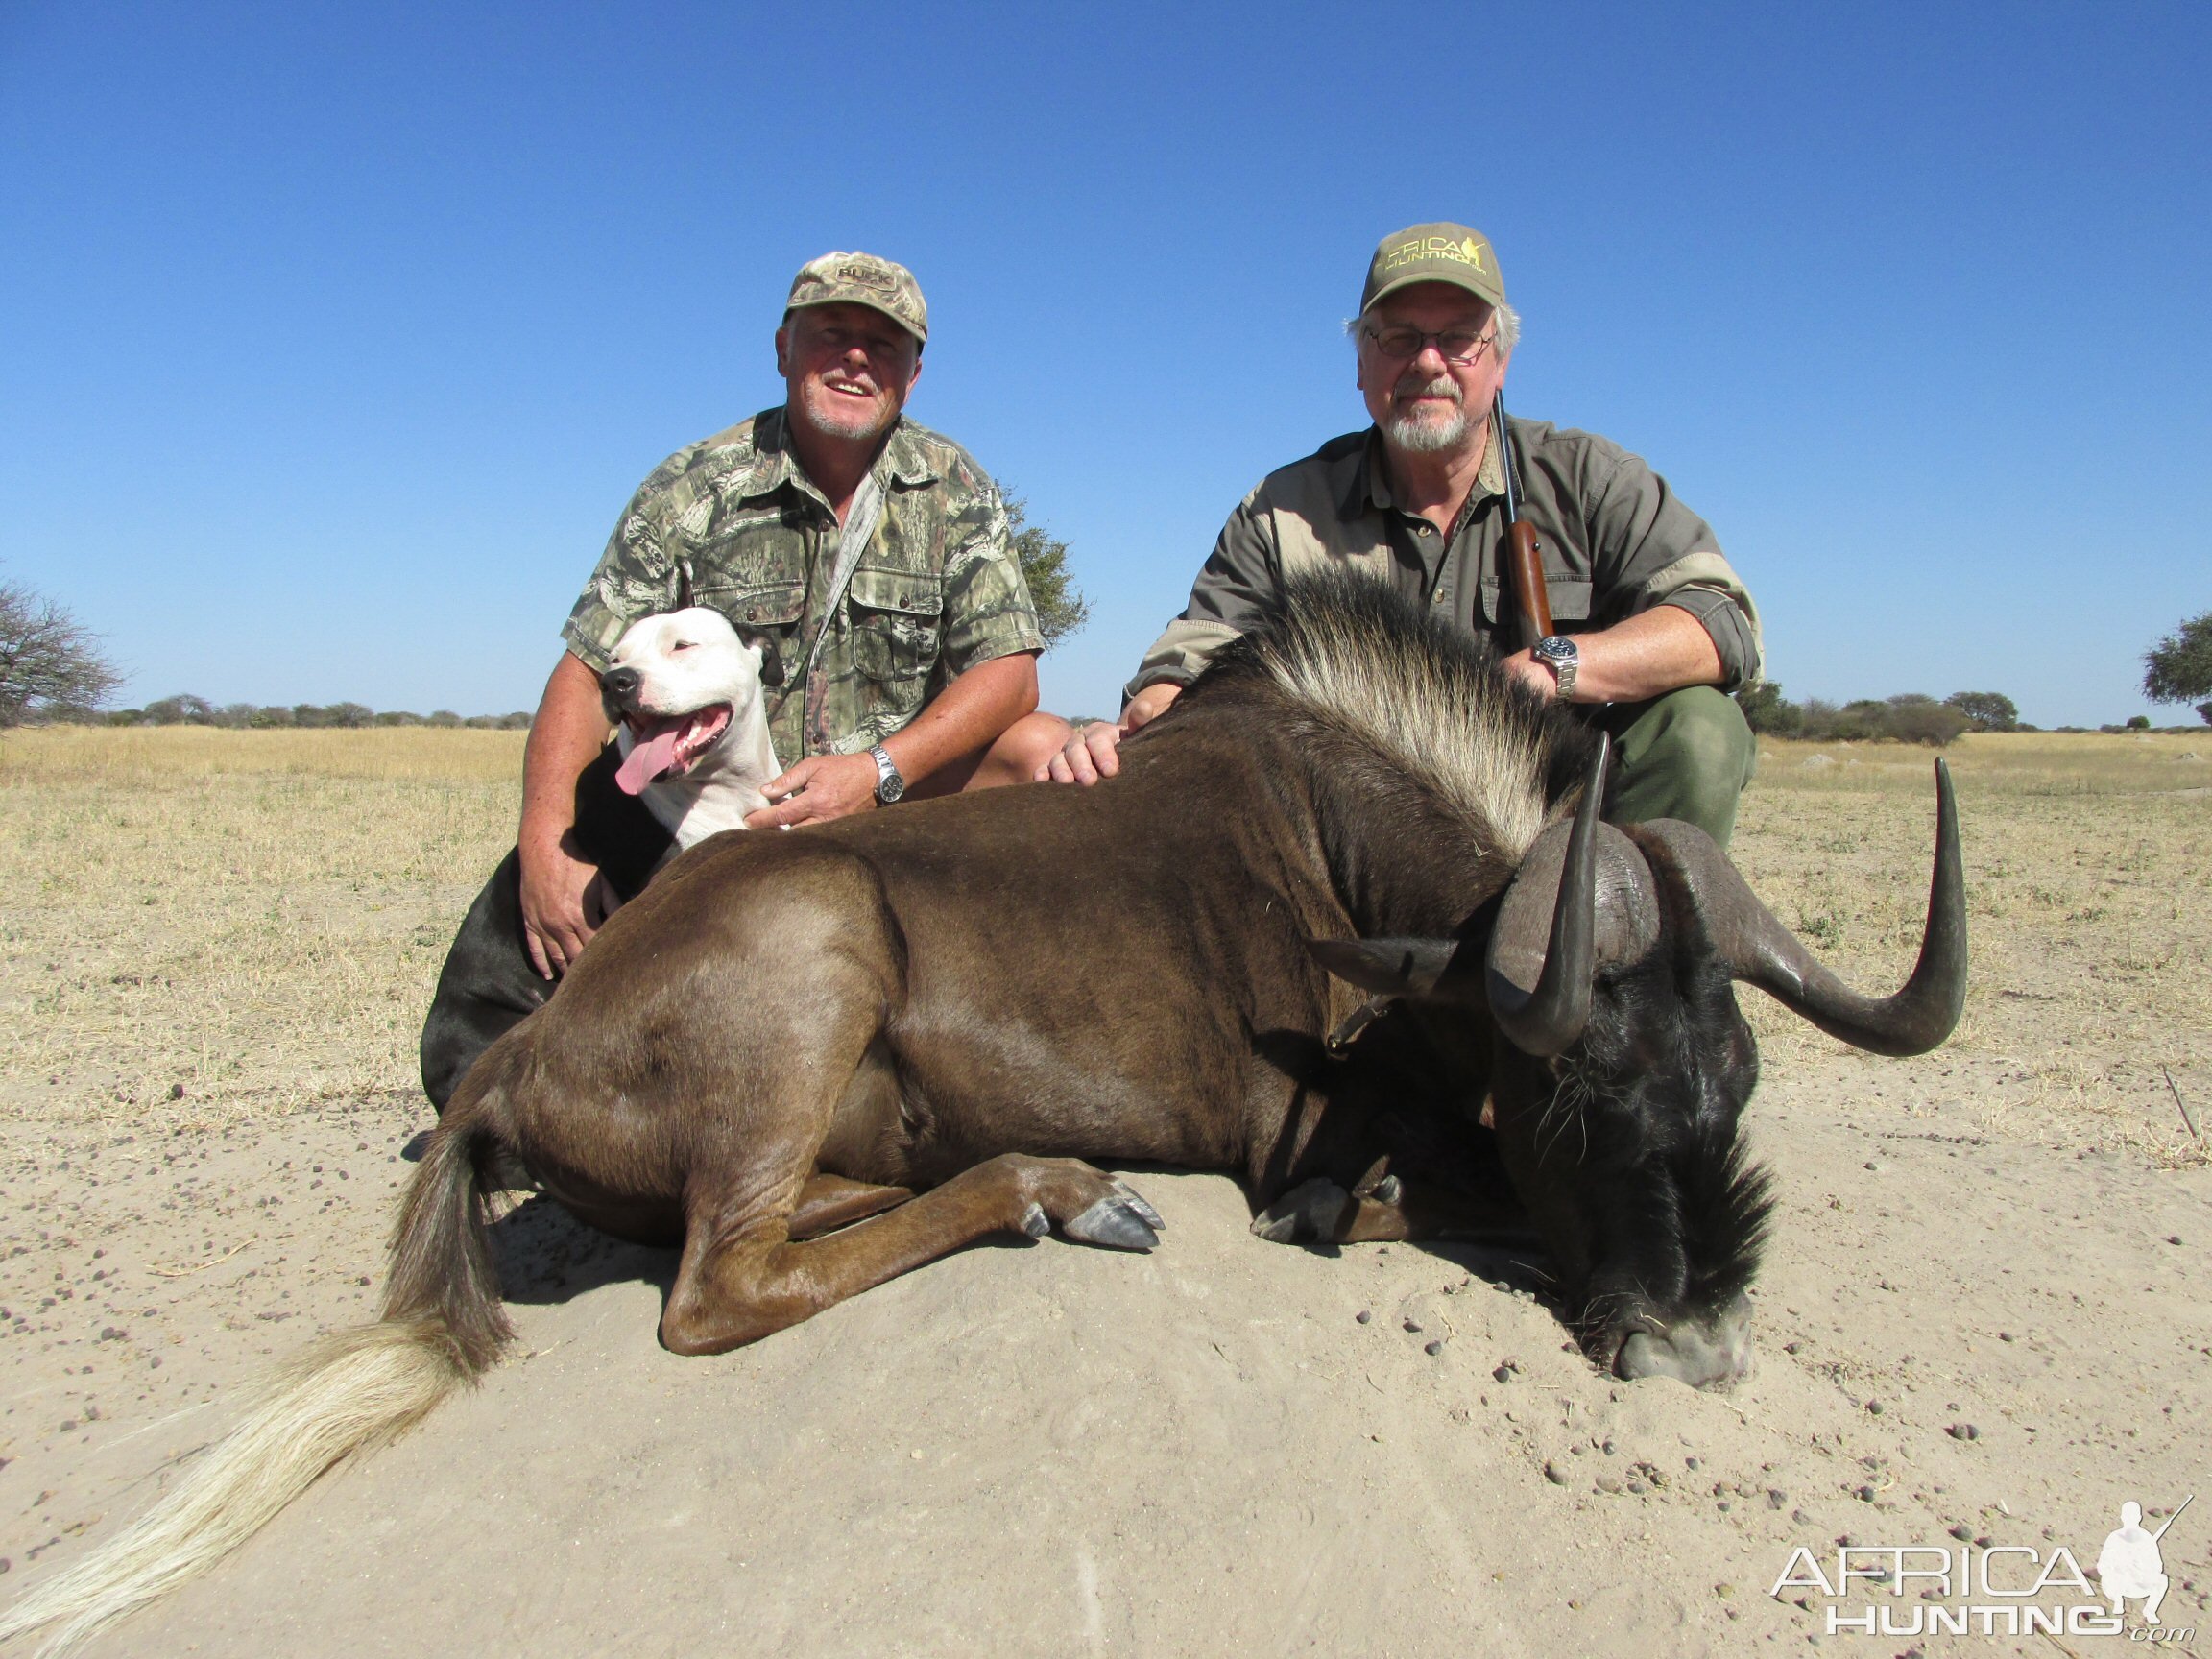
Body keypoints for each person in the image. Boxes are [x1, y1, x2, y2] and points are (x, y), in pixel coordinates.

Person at [1045, 222, 1762, 848]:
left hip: (1553, 827)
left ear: (1500, 360)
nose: (1427, 361)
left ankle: (1624, 981)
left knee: (1701, 729)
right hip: (1360, 844)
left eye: (1458, 339)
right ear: (1362, 362)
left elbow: (1719, 622)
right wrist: (1143, 726)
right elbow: (1189, 658)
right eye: (1398, 338)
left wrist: (1548, 669)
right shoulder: (1285, 506)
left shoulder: (1591, 479)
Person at [519, 250, 1070, 980]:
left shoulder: (954, 485)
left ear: (913, 373)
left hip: (889, 801)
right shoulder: (694, 484)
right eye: (830, 333)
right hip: (733, 815)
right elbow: (587, 670)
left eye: (883, 345)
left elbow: (1010, 673)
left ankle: (998, 981)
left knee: (1047, 748)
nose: (854, 359)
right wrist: (547, 848)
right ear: (784, 349)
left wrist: (875, 773)